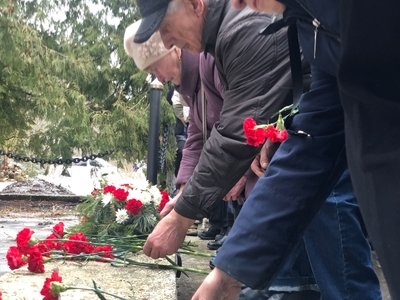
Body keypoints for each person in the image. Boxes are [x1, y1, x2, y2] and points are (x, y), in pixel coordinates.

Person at [132, 0, 382, 299]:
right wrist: (226, 275)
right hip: (300, 162)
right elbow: (310, 130)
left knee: (338, 264)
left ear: (195, 5)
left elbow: (236, 131)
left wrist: (184, 215)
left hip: (339, 166)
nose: (169, 41)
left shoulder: (244, 26)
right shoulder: (255, 29)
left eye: (167, 30)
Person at [126, 20, 320, 299]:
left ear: (173, 51)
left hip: (272, 158)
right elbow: (196, 136)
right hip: (258, 161)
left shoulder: (210, 62)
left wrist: (186, 213)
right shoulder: (190, 84)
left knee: (290, 253)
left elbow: (242, 121)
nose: (158, 76)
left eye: (155, 65)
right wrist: (183, 192)